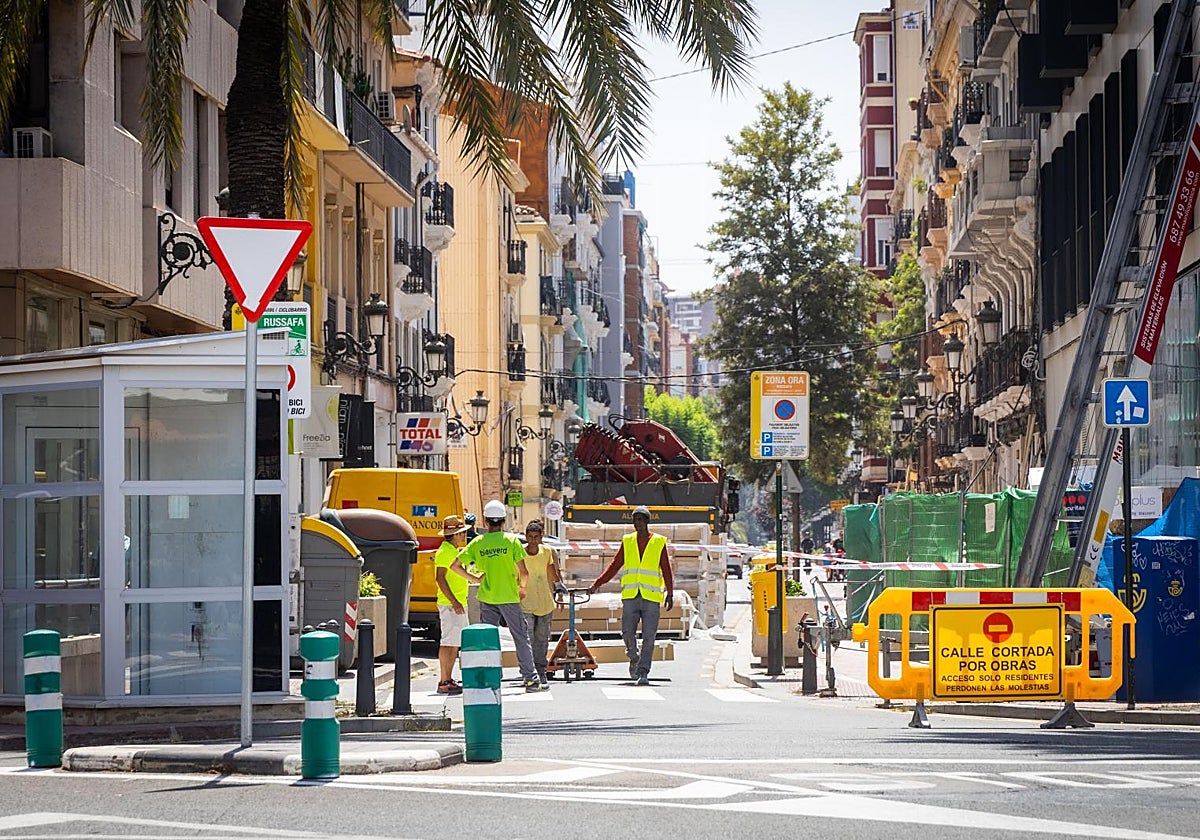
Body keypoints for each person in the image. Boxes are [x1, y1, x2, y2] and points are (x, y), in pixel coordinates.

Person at [449, 499, 543, 692]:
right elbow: (524, 572)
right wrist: (522, 588)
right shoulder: (511, 541)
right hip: (509, 596)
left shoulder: (478, 543)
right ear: (503, 520)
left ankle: (492, 676)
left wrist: (474, 578)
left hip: (487, 597)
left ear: (485, 520)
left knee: (488, 639)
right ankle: (531, 679)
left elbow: (455, 566)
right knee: (520, 637)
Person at [589, 505, 674, 686]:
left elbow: (666, 568)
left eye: (641, 520)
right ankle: (633, 656)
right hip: (631, 596)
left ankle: (643, 671)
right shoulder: (627, 541)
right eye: (635, 520)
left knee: (649, 636)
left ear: (647, 522)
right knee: (627, 632)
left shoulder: (658, 542)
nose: (638, 524)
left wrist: (670, 593)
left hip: (651, 597)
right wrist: (597, 583)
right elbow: (615, 565)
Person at [519, 519, 563, 688]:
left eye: (536, 537)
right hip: (525, 601)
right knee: (527, 639)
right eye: (530, 537)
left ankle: (541, 669)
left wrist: (559, 589)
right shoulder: (520, 553)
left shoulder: (546, 552)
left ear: (541, 536)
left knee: (542, 638)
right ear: (526, 537)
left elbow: (552, 572)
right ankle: (529, 673)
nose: (533, 540)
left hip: (544, 601)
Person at [432, 514, 471, 695]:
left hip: (456, 603)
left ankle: (448, 678)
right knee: (448, 643)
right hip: (450, 604)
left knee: (454, 643)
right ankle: (444, 680)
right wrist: (454, 601)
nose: (464, 536)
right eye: (462, 533)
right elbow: (440, 578)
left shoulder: (452, 551)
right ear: (455, 535)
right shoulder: (445, 552)